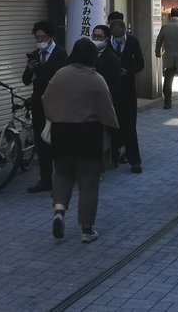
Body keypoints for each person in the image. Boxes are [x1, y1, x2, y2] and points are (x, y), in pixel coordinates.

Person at [42, 38, 119, 244]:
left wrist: (57, 116)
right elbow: (107, 110)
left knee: (62, 174)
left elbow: (46, 100)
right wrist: (113, 131)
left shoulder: (60, 75)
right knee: (88, 182)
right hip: (88, 134)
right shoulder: (96, 79)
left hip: (62, 132)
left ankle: (59, 211)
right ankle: (86, 229)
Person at [21, 21, 68, 194]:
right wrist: (29, 68)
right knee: (41, 142)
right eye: (37, 37)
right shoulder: (35, 54)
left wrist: (38, 71)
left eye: (42, 37)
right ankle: (45, 178)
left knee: (56, 141)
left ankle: (61, 179)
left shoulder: (61, 54)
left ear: (50, 37)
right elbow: (26, 80)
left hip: (56, 103)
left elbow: (56, 78)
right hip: (38, 104)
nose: (39, 40)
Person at [106, 12, 145, 173]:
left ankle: (134, 160)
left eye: (120, 35)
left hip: (128, 90)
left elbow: (141, 63)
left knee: (129, 126)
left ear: (124, 31)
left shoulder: (133, 42)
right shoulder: (106, 43)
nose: (118, 37)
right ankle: (114, 156)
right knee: (112, 125)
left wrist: (128, 72)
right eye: (115, 35)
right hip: (111, 90)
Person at [154, 8, 178, 110]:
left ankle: (167, 102)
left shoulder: (165, 27)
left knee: (168, 80)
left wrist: (157, 52)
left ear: (170, 15)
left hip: (169, 57)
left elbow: (159, 41)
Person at [90, 24, 121, 93]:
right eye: (94, 36)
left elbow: (115, 84)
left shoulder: (112, 59)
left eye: (99, 36)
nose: (96, 39)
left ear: (106, 39)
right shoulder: (86, 53)